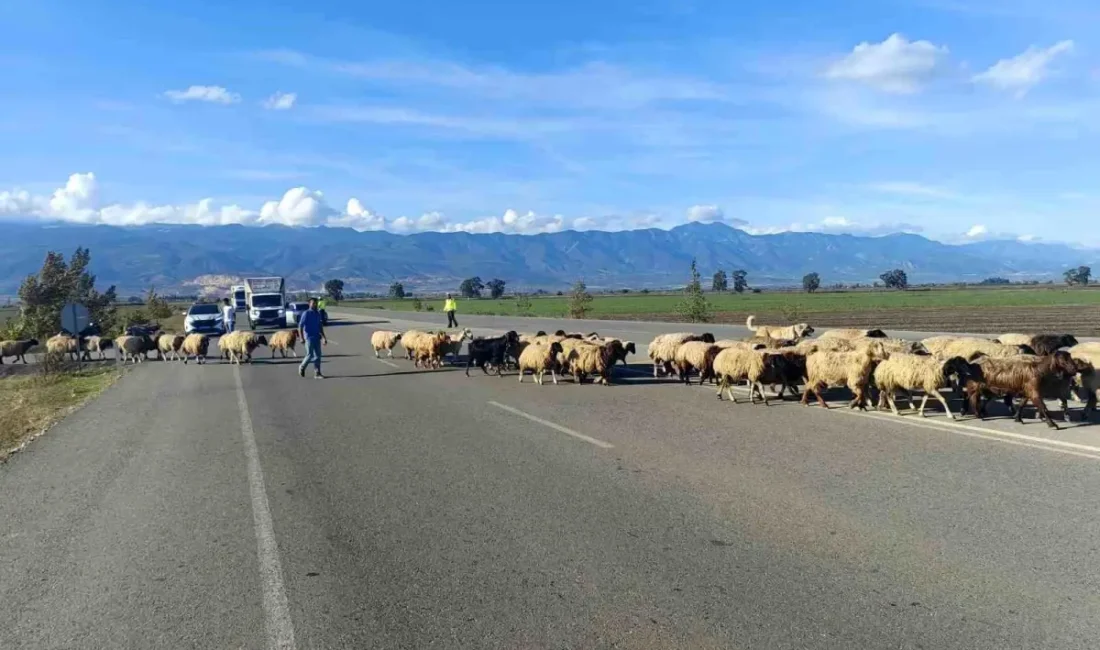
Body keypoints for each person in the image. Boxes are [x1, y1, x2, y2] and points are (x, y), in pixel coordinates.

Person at [298, 298, 328, 378]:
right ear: (309, 304)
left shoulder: (317, 314)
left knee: (318, 355)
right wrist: (301, 337)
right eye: (313, 303)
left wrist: (324, 337)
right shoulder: (306, 313)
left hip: (316, 337)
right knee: (310, 354)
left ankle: (317, 373)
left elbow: (320, 326)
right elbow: (300, 326)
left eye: (316, 303)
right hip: (308, 337)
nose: (315, 304)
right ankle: (302, 366)